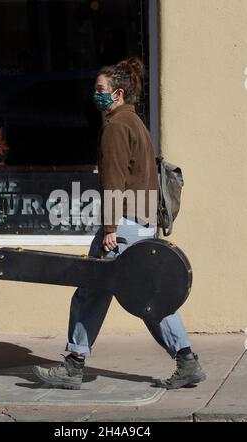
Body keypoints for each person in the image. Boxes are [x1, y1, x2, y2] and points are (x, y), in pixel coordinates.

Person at [33, 57, 206, 390]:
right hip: (141, 221)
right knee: (149, 294)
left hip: (123, 223)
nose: (94, 94)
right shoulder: (135, 122)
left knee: (91, 291)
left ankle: (73, 365)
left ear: (118, 93)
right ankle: (187, 361)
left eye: (100, 89)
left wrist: (110, 228)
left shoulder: (115, 127)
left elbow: (113, 180)